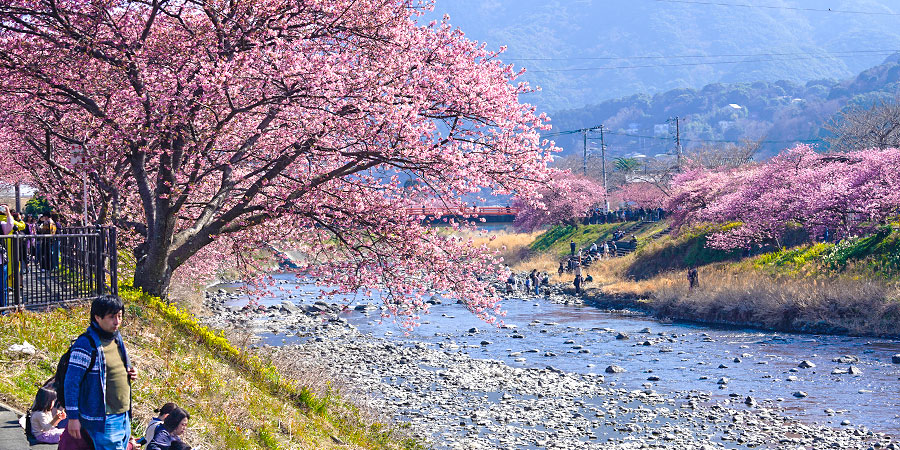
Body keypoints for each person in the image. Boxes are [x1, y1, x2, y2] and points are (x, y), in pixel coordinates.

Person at [64, 295, 137, 450]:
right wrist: (72, 418)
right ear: (97, 317)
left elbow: (120, 364)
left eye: (120, 316)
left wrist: (130, 371)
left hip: (123, 414)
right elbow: (71, 383)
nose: (117, 322)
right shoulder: (86, 344)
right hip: (105, 418)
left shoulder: (116, 338)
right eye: (112, 317)